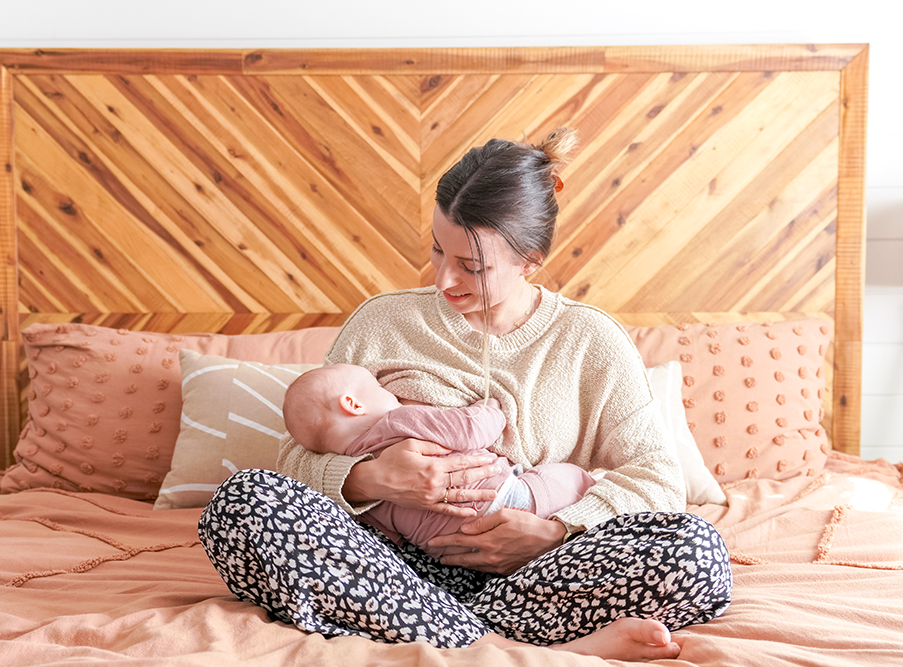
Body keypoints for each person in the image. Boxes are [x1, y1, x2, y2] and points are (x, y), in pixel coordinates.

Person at [199, 128, 732, 661]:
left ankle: (453, 640)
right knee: (240, 504)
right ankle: (506, 648)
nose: (443, 279)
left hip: (540, 574)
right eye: (437, 251)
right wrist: (369, 479)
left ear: (531, 260)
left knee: (697, 555)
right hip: (391, 568)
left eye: (472, 267)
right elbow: (297, 453)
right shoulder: (383, 322)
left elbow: (658, 481)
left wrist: (554, 531)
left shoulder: (589, 340)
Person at [281, 362, 596, 559]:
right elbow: (469, 430)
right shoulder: (399, 421)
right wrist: (492, 408)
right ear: (351, 404)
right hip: (504, 501)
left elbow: (387, 538)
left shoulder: (354, 473)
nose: (388, 392)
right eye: (377, 387)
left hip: (451, 549)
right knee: (570, 477)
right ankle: (595, 492)